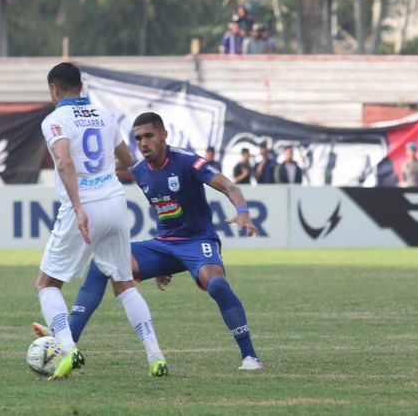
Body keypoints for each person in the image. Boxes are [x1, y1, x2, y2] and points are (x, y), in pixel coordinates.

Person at [63, 112, 263, 371]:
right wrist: (162, 264)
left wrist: (243, 212)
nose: (143, 143)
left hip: (197, 240)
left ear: (163, 135)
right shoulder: (139, 170)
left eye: (149, 136)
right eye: (138, 138)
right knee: (102, 262)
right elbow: (164, 210)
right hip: (163, 244)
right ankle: (67, 344)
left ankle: (250, 356)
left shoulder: (187, 161)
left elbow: (229, 187)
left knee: (216, 285)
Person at [34, 63, 167, 379]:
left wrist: (79, 206)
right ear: (80, 86)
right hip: (115, 204)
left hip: (85, 207)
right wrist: (103, 173)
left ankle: (68, 347)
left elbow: (65, 161)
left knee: (46, 284)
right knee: (123, 285)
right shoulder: (104, 115)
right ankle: (155, 355)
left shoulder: (55, 120)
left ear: (54, 89)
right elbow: (126, 159)